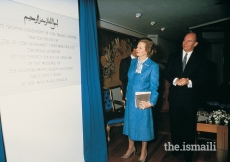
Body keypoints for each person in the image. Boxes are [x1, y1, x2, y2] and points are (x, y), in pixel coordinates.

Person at [163, 32, 209, 162]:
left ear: (196, 44)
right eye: (184, 40)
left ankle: (188, 154)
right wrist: (175, 80)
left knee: (189, 126)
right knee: (175, 124)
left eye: (189, 41)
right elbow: (166, 72)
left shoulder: (201, 59)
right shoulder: (173, 56)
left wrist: (189, 81)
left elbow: (205, 79)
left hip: (191, 99)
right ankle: (176, 148)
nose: (185, 43)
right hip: (175, 98)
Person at [122, 38, 159, 162]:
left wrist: (151, 102)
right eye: (137, 47)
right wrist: (126, 96)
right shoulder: (133, 62)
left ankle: (144, 150)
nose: (136, 49)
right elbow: (129, 82)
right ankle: (131, 148)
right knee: (129, 124)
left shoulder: (153, 66)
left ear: (147, 50)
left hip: (143, 100)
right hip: (131, 99)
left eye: (140, 47)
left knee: (144, 126)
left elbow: (155, 87)